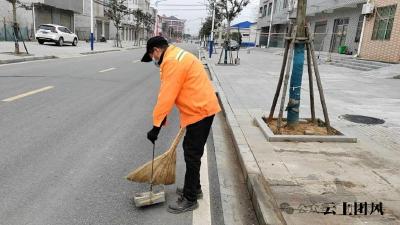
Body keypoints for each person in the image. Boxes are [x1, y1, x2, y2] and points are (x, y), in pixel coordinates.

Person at [141, 36, 221, 214]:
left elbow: (166, 96)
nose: (154, 60)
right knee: (192, 152)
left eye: (152, 56)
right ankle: (195, 188)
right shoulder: (176, 54)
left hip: (200, 110)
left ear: (156, 50)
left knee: (192, 155)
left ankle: (190, 198)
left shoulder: (171, 62)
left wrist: (156, 127)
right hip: (201, 108)